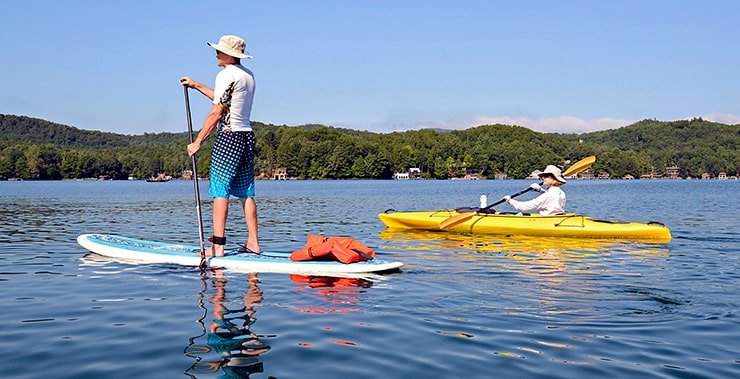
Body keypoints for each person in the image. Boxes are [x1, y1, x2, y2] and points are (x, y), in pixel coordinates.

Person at [180, 35, 260, 257]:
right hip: (246, 136)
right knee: (246, 192)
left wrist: (198, 142)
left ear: (229, 55)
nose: (216, 54)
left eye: (219, 51)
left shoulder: (225, 75)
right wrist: (196, 85)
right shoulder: (248, 75)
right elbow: (224, 100)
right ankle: (253, 242)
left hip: (229, 137)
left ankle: (218, 247)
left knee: (220, 191)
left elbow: (217, 112)